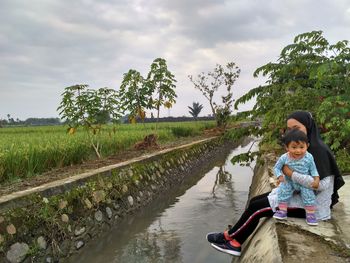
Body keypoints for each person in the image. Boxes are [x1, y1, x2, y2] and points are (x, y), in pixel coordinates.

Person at [206, 111, 345, 257]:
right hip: (299, 194)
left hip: (313, 207)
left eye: (296, 127)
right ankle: (230, 235)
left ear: (308, 127)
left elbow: (321, 185)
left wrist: (291, 174)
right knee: (255, 201)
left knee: (258, 208)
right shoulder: (304, 148)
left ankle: (234, 241)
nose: (293, 132)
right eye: (289, 129)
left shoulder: (319, 151)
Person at [273, 128, 320, 226]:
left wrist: (316, 179)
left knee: (308, 194)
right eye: (294, 147)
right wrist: (279, 176)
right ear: (287, 147)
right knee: (283, 190)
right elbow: (276, 168)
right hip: (289, 180)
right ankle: (282, 211)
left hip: (303, 181)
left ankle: (310, 214)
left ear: (307, 146)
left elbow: (313, 169)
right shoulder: (284, 158)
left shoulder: (309, 157)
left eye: (302, 147)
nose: (298, 151)